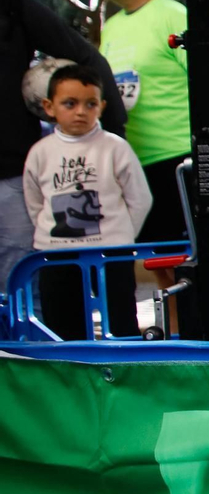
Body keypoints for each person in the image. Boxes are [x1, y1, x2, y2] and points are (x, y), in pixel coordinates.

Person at [0, 0, 127, 286]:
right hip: (15, 178)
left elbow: (87, 59)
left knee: (27, 289)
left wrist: (112, 136)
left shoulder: (11, 7)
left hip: (13, 176)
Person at [22, 64, 149, 339]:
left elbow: (140, 198)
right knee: (62, 328)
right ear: (49, 107)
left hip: (111, 253)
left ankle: (124, 363)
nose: (80, 111)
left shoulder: (115, 147)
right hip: (56, 254)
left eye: (90, 104)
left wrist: (121, 237)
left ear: (101, 107)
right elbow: (34, 201)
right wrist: (49, 235)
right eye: (70, 103)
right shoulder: (40, 152)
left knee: (121, 322)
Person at [96, 0, 190, 249]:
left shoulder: (175, 16)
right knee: (152, 261)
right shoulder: (111, 27)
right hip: (131, 163)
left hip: (177, 160)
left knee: (183, 263)